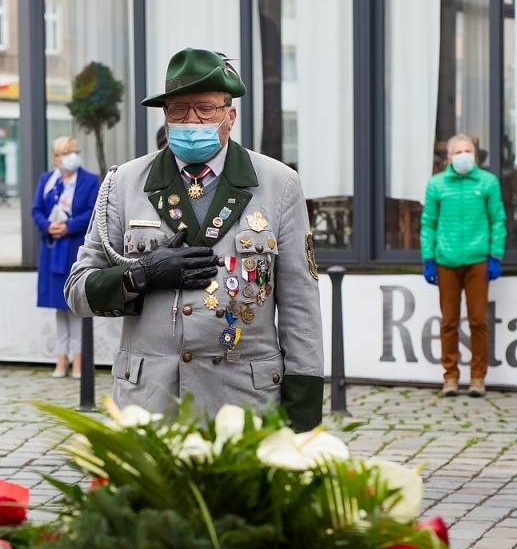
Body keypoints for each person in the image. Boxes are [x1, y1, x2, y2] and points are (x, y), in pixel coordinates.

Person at [64, 47, 324, 429]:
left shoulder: (279, 184)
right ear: (165, 117)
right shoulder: (124, 184)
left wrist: (302, 422)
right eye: (178, 110)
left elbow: (301, 309)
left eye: (205, 108)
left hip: (243, 403)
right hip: (150, 404)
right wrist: (141, 276)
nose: (191, 120)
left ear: (230, 115)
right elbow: (77, 291)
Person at [420, 133, 505, 398]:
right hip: (446, 261)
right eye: (458, 152)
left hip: (478, 261)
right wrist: (428, 259)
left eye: (468, 150)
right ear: (448, 158)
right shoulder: (436, 185)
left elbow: (498, 221)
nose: (463, 156)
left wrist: (495, 256)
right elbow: (428, 224)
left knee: (478, 321)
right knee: (449, 322)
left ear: (475, 156)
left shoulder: (488, 182)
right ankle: (450, 377)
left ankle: (478, 378)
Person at [32, 136, 99, 377]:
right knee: (59, 307)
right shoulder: (47, 181)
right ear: (55, 157)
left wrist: (69, 226)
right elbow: (36, 209)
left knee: (75, 305)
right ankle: (61, 358)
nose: (70, 156)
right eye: (65, 152)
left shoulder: (90, 180)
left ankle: (79, 359)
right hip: (52, 250)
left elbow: (93, 211)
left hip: (75, 247)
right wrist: (48, 226)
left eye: (74, 151)